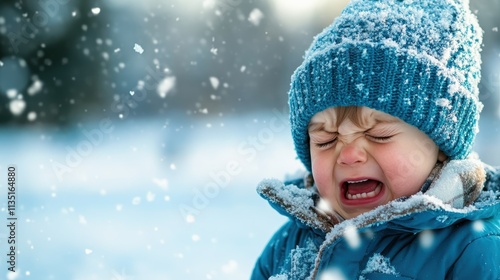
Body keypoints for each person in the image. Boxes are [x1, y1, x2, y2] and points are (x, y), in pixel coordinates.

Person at [251, 0, 500, 279]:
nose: (348, 155)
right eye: (326, 140)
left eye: (377, 135)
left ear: (440, 147)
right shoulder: (289, 245)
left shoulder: (473, 250)